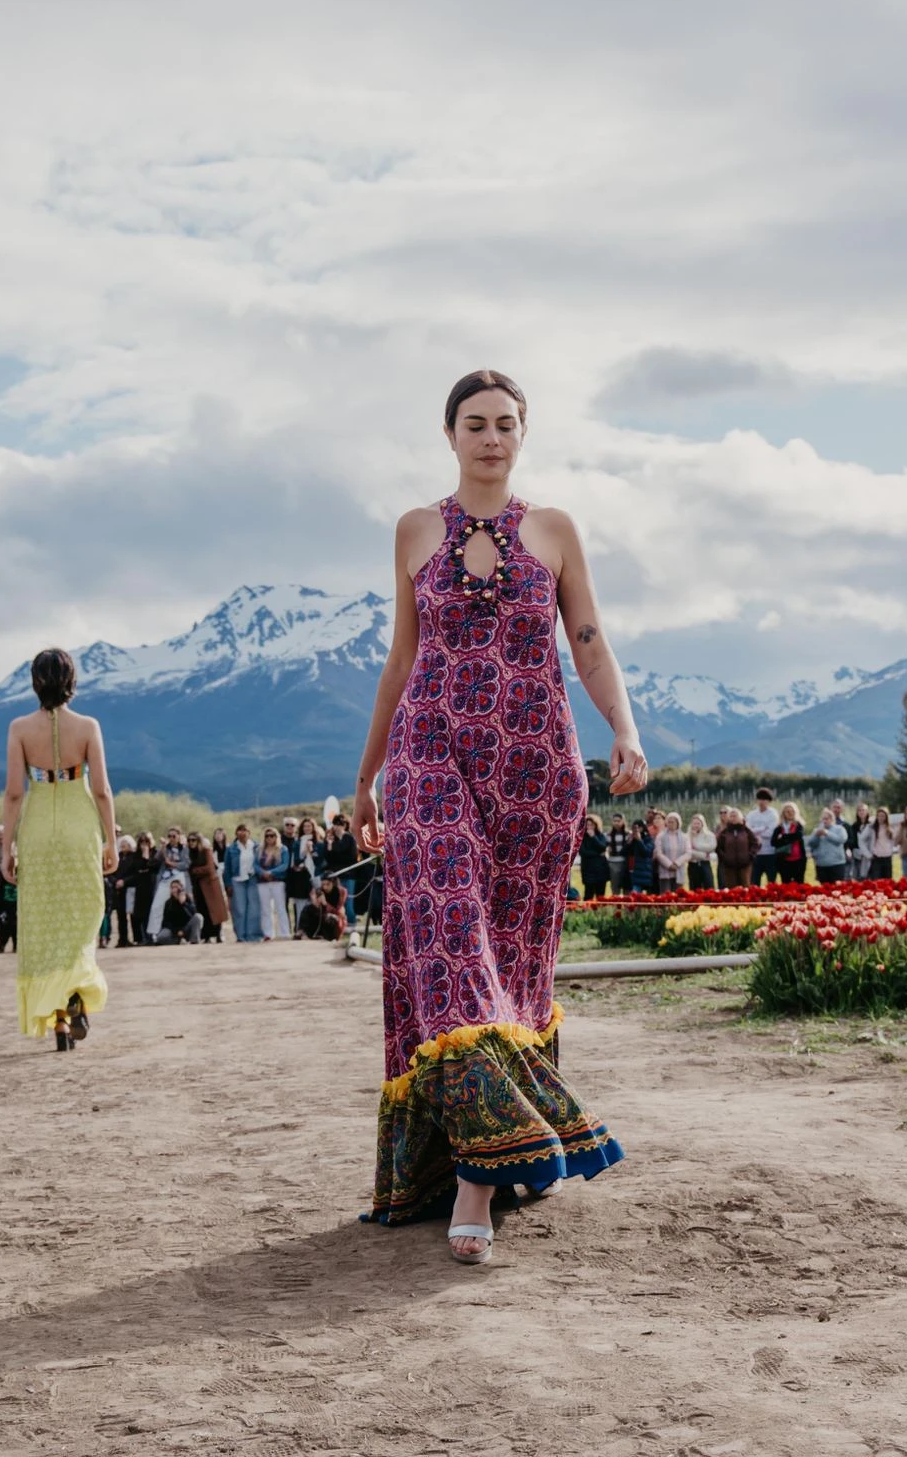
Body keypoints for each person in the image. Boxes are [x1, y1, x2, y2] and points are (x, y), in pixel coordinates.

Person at [350, 368, 637, 1261]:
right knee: (445, 944)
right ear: (449, 435)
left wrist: (623, 730)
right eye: (476, 423)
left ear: (523, 435)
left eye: (507, 424)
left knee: (510, 960)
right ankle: (479, 1171)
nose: (492, 438)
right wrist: (366, 778)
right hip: (431, 758)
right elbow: (401, 662)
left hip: (536, 770)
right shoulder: (414, 530)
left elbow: (587, 641)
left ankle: (483, 1169)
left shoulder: (553, 530)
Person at [0, 649, 117, 1051]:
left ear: (35, 682)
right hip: (79, 826)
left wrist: (7, 849)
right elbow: (101, 789)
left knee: (43, 923)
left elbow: (15, 792)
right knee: (83, 916)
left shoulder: (19, 728)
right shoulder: (87, 725)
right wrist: (111, 841)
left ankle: (61, 1021)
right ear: (72, 681)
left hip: (37, 829)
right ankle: (75, 993)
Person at [146, 827, 191, 940]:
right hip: (165, 878)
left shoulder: (184, 849)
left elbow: (186, 864)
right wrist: (162, 848)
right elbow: (155, 860)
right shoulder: (165, 848)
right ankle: (153, 933)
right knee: (157, 905)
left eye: (174, 836)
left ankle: (186, 931)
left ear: (179, 837)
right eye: (169, 836)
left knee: (181, 904)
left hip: (179, 877)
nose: (171, 838)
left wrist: (172, 863)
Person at [187, 832, 230, 942]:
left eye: (193, 840)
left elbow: (210, 868)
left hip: (210, 885)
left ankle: (219, 934)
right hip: (198, 886)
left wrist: (195, 870)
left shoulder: (206, 851)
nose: (191, 842)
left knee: (214, 911)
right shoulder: (190, 854)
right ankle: (206, 936)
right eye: (189, 840)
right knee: (202, 910)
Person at [223, 822, 260, 942]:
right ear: (236, 833)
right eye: (239, 830)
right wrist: (228, 884)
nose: (242, 832)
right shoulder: (231, 849)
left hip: (253, 879)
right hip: (237, 880)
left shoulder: (256, 846)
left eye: (244, 830)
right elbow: (227, 868)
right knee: (239, 909)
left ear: (249, 833)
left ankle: (253, 935)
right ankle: (241, 935)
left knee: (254, 908)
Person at [256, 827, 291, 940]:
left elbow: (285, 865)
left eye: (272, 835)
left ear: (277, 837)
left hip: (278, 881)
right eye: (267, 836)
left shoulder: (283, 849)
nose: (269, 838)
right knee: (265, 909)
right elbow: (255, 864)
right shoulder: (259, 850)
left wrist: (271, 872)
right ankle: (268, 933)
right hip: (262, 882)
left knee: (280, 907)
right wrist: (262, 872)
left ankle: (284, 933)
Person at [324, 814, 359, 924]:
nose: (337, 827)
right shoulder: (330, 839)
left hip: (348, 875)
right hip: (335, 876)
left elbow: (352, 857)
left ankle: (352, 926)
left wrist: (334, 849)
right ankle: (339, 926)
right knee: (337, 903)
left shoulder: (349, 838)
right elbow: (328, 857)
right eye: (335, 824)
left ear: (345, 825)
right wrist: (329, 845)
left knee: (348, 903)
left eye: (340, 824)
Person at [715, 809, 760, 889]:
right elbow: (718, 847)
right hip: (729, 866)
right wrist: (724, 858)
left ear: (741, 818)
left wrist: (750, 856)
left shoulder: (746, 831)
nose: (733, 818)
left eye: (735, 816)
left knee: (746, 888)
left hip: (745, 865)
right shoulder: (724, 833)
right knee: (731, 889)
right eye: (731, 816)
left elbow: (755, 844)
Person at [746, 788, 780, 886]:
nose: (762, 802)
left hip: (770, 853)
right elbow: (748, 831)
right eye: (760, 799)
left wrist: (756, 830)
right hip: (756, 853)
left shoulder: (773, 814)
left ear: (769, 801)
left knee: (771, 882)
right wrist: (763, 828)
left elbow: (770, 833)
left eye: (765, 799)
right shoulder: (752, 814)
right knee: (754, 881)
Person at [807, 809, 848, 885]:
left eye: (827, 819)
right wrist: (817, 835)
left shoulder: (839, 829)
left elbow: (841, 840)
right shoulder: (817, 830)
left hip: (836, 864)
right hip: (821, 864)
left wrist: (827, 833)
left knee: (837, 888)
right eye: (823, 819)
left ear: (832, 819)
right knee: (824, 889)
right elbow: (811, 843)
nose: (824, 821)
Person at [131, 833, 159, 942]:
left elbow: (153, 866)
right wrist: (143, 859)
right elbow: (136, 867)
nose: (144, 845)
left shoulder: (155, 853)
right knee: (139, 913)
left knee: (150, 911)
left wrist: (146, 857)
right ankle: (141, 938)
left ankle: (151, 936)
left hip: (151, 885)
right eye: (141, 842)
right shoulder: (136, 855)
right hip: (140, 886)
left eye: (146, 842)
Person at [771, 802, 807, 883]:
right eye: (787, 811)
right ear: (783, 813)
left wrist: (783, 837)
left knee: (799, 883)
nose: (790, 813)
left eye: (792, 811)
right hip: (783, 860)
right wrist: (789, 837)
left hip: (798, 860)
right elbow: (773, 842)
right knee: (785, 883)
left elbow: (798, 835)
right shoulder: (779, 827)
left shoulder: (798, 825)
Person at [157, 879, 202, 943]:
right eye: (172, 887)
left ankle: (194, 940)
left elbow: (193, 915)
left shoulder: (188, 899)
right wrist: (177, 931)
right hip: (174, 930)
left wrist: (183, 904)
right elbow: (166, 922)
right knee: (160, 937)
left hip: (186, 928)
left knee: (198, 917)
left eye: (176, 887)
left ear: (181, 888)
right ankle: (178, 941)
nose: (174, 889)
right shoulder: (168, 903)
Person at [654, 810, 690, 892]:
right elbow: (658, 853)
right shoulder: (661, 836)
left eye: (673, 822)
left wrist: (677, 863)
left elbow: (688, 853)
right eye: (669, 822)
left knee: (678, 895)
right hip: (665, 870)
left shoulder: (684, 837)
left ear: (678, 823)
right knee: (666, 894)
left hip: (679, 869)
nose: (671, 824)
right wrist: (669, 865)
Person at [578, 815, 610, 901]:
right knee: (588, 895)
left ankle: (599, 913)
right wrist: (598, 854)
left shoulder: (601, 836)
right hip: (588, 870)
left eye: (591, 825)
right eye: (587, 825)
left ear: (596, 825)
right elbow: (583, 853)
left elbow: (603, 847)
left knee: (600, 895)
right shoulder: (582, 838)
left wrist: (593, 837)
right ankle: (587, 913)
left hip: (601, 870)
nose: (589, 827)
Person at [861, 807, 896, 879]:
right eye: (879, 816)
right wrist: (868, 854)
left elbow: (894, 841)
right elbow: (861, 840)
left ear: (886, 817)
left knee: (887, 881)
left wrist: (893, 850)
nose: (881, 818)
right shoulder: (871, 827)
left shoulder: (890, 828)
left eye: (883, 816)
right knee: (876, 881)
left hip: (887, 857)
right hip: (876, 857)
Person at [686, 813, 716, 890]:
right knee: (694, 888)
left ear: (702, 824)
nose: (696, 825)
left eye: (698, 823)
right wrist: (703, 855)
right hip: (693, 864)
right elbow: (688, 851)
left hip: (705, 864)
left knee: (709, 886)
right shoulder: (687, 836)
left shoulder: (709, 835)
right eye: (694, 823)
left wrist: (695, 846)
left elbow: (711, 847)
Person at [846, 802, 873, 882]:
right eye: (859, 810)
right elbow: (852, 841)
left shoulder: (872, 825)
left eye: (863, 810)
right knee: (858, 877)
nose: (861, 812)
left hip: (870, 855)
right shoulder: (854, 826)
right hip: (857, 855)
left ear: (867, 812)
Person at [627, 817, 655, 893]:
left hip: (645, 871)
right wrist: (628, 842)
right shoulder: (632, 839)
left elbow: (646, 852)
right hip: (634, 872)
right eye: (634, 828)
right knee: (634, 895)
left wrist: (639, 840)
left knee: (647, 898)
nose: (636, 830)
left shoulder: (649, 839)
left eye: (638, 828)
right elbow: (625, 852)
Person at [606, 811, 630, 895]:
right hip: (613, 863)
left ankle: (627, 906)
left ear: (623, 821)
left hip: (625, 863)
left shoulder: (628, 834)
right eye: (614, 821)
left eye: (618, 821)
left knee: (627, 886)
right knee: (615, 886)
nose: (616, 823)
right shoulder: (608, 835)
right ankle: (616, 905)